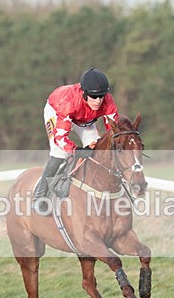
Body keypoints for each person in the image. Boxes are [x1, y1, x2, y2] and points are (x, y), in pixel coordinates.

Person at [32, 67, 119, 214]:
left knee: (96, 149)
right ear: (84, 93)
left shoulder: (107, 101)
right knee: (60, 152)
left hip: (84, 119)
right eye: (93, 96)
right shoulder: (69, 103)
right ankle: (39, 196)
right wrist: (77, 150)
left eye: (101, 96)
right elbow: (60, 138)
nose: (98, 101)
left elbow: (114, 130)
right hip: (57, 111)